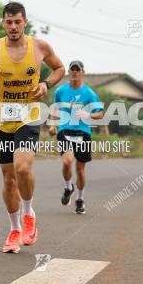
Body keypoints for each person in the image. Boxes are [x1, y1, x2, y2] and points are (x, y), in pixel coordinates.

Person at [0, 2, 65, 253]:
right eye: (9, 22)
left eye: (18, 22)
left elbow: (59, 68)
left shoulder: (39, 47)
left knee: (23, 168)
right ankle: (14, 230)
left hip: (30, 114)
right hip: (5, 118)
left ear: (25, 22)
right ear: (3, 23)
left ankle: (28, 213)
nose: (13, 26)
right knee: (9, 178)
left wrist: (46, 84)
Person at [48, 61, 104, 213]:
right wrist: (52, 125)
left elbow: (100, 113)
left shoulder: (89, 94)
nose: (74, 72)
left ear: (82, 72)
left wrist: (88, 114)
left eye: (77, 70)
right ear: (68, 71)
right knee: (67, 161)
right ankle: (68, 187)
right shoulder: (60, 91)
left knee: (80, 169)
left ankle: (80, 199)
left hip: (83, 132)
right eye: (72, 69)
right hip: (65, 130)